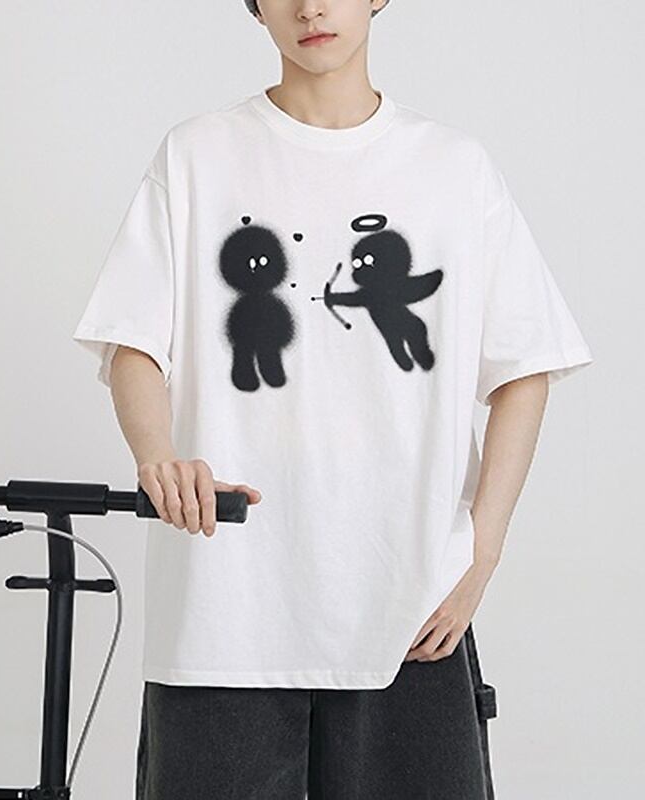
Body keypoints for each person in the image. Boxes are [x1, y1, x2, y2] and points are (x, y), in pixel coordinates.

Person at [72, 1, 594, 797]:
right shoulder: (197, 155)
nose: (311, 7)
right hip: (224, 612)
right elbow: (131, 342)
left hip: (410, 606)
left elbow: (525, 366)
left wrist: (480, 553)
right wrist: (158, 458)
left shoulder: (454, 168)